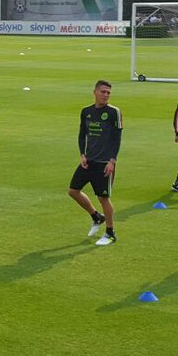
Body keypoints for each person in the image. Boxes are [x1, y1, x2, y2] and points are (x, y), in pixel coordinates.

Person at [68, 80, 121, 245]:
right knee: (73, 191)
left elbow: (117, 139)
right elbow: (82, 134)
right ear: (95, 92)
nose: (106, 95)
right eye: (103, 92)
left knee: (103, 198)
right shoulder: (86, 112)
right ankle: (96, 217)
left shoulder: (114, 112)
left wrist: (112, 161)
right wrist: (82, 154)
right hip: (88, 161)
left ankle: (111, 233)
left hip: (104, 162)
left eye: (108, 93)